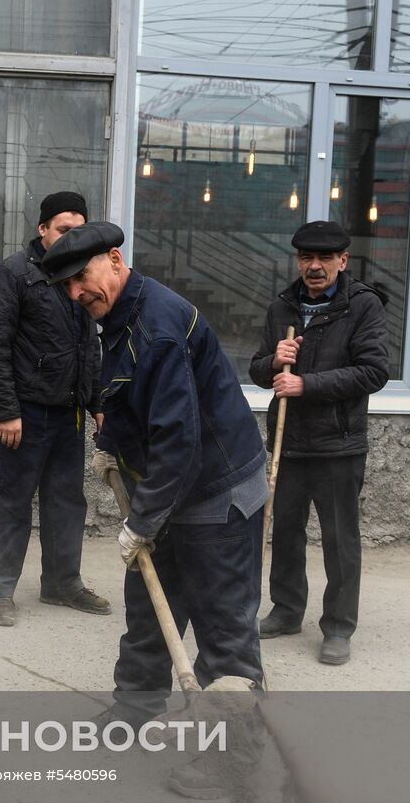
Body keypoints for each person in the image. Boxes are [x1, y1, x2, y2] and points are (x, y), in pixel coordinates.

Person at [42, 221, 267, 726]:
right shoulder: (118, 316)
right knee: (149, 610)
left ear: (116, 260)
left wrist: (143, 522)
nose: (77, 293)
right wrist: (109, 444)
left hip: (216, 496)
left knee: (224, 632)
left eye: (83, 276)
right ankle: (135, 709)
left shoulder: (158, 328)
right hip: (168, 490)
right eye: (68, 287)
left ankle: (236, 753)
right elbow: (128, 398)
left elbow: (177, 440)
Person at [248, 220, 389, 666]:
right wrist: (274, 360)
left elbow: (373, 372)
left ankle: (338, 627)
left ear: (342, 261)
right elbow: (255, 370)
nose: (314, 266)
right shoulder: (283, 307)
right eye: (306, 258)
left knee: (339, 540)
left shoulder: (362, 306)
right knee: (286, 534)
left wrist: (306, 384)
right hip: (288, 443)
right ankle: (288, 611)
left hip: (338, 444)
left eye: (324, 259)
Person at [0, 191, 107, 627]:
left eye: (79, 231)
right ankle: (0, 591)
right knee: (14, 500)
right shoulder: (14, 274)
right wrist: (7, 411)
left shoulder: (83, 272)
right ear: (42, 230)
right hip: (26, 414)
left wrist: (97, 404)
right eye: (63, 230)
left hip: (69, 413)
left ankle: (61, 584)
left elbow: (89, 346)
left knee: (67, 502)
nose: (71, 238)